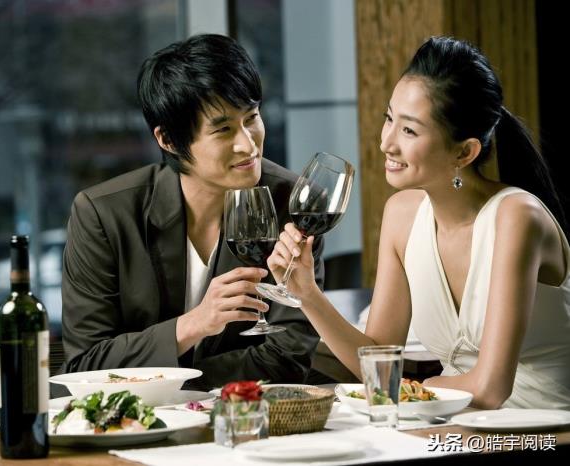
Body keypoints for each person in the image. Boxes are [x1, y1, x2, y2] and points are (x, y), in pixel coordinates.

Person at [268, 36, 570, 409]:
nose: (386, 143)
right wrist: (307, 294)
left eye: (409, 130)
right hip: (449, 421)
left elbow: (490, 389)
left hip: (539, 427)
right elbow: (379, 362)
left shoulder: (517, 218)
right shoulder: (402, 215)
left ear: (465, 151)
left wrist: (417, 389)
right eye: (389, 119)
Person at [61, 34, 323, 389]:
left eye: (252, 118)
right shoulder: (104, 215)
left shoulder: (293, 203)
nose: (248, 144)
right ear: (168, 140)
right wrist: (193, 325)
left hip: (242, 415)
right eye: (223, 129)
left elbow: (288, 356)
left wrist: (182, 387)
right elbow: (85, 365)